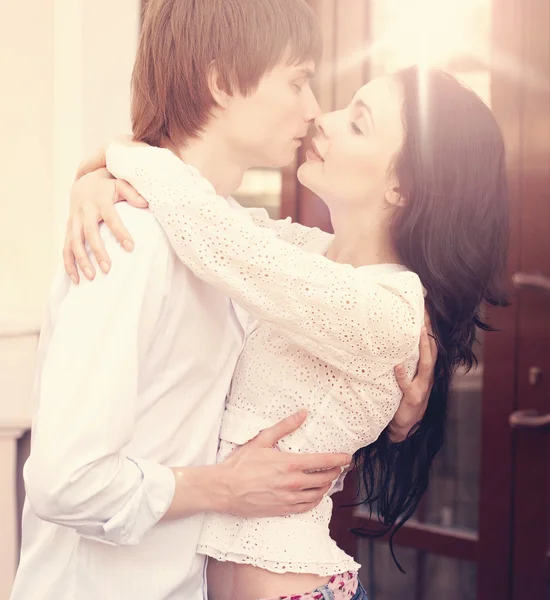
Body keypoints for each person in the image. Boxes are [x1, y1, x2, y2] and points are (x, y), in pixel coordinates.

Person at [10, 2, 431, 600]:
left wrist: (402, 394)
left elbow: (343, 305)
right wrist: (220, 488)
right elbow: (64, 482)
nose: (313, 111)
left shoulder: (233, 241)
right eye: (297, 81)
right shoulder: (128, 240)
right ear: (220, 80)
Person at [64, 60, 509, 600]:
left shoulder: (392, 310)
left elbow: (217, 237)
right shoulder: (308, 252)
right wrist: (100, 181)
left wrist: (123, 156)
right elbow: (193, 211)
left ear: (402, 187)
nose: (325, 118)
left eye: (359, 123)